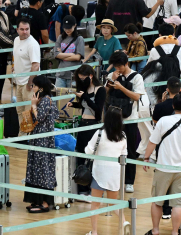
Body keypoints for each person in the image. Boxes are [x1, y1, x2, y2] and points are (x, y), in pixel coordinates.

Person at [142, 93, 181, 235]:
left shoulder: (163, 121)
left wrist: (146, 158)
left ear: (173, 106)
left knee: (157, 201)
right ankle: (175, 232)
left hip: (163, 168)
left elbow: (153, 142)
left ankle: (155, 230)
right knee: (178, 205)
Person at [85, 106, 130, 234]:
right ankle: (124, 222)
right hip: (115, 173)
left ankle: (94, 232)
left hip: (100, 172)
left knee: (95, 204)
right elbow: (124, 155)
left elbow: (88, 151)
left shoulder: (100, 133)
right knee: (113, 203)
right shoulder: (123, 136)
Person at [105, 52, 145, 193]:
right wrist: (110, 83)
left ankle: (129, 182)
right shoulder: (112, 75)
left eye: (120, 66)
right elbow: (104, 94)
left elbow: (136, 97)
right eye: (115, 66)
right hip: (113, 118)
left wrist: (121, 87)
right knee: (111, 150)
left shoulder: (137, 77)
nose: (118, 69)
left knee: (130, 151)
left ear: (126, 63)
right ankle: (114, 180)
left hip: (130, 119)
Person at [67, 64, 106, 197]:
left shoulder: (100, 90)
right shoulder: (84, 89)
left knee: (91, 158)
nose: (82, 81)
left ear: (90, 76)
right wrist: (75, 103)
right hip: (82, 124)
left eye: (84, 78)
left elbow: (97, 109)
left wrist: (84, 97)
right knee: (80, 155)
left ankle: (92, 188)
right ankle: (81, 186)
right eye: (80, 78)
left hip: (93, 126)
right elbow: (85, 106)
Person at [22, 75, 57, 213]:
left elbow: (40, 117)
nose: (33, 88)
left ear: (41, 88)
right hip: (38, 139)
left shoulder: (46, 101)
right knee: (35, 168)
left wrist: (33, 106)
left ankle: (45, 202)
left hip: (43, 141)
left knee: (42, 169)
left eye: (35, 86)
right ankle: (36, 200)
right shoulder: (43, 100)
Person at [13, 20, 41, 129]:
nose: (25, 32)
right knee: (20, 111)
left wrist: (30, 83)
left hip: (28, 84)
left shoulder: (32, 44)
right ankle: (22, 134)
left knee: (27, 113)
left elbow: (36, 65)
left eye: (27, 29)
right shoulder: (16, 40)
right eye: (22, 29)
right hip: (19, 82)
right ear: (17, 30)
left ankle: (26, 137)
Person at [54, 15, 84, 87]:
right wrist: (72, 54)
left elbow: (78, 57)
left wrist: (62, 55)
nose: (67, 30)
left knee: (72, 97)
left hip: (74, 75)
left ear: (75, 25)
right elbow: (56, 55)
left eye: (69, 28)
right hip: (61, 74)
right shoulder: (60, 37)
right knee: (59, 97)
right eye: (65, 28)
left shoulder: (79, 39)